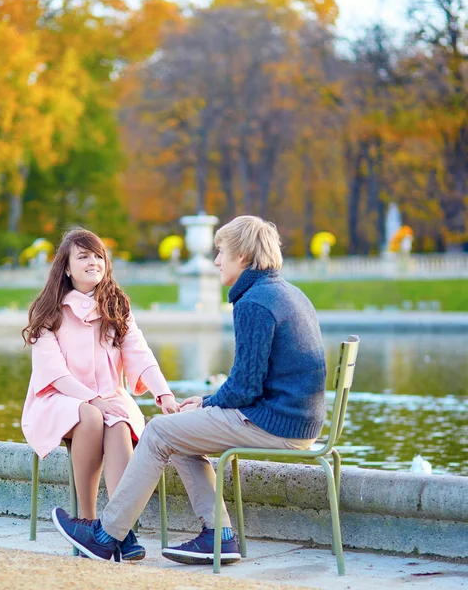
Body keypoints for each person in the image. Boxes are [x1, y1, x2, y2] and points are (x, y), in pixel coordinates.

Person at [51, 216, 327, 565]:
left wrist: (210, 403)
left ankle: (106, 536)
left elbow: (245, 386)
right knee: (180, 428)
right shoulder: (286, 292)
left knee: (158, 430)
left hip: (276, 424)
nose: (215, 261)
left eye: (221, 252)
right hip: (296, 422)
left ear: (241, 257)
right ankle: (219, 536)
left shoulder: (254, 302)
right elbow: (251, 385)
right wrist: (205, 404)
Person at [21, 228, 179, 561]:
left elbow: (140, 353)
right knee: (92, 414)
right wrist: (92, 400)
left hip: (111, 398)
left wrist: (163, 393)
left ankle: (118, 528)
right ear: (66, 267)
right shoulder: (48, 310)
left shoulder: (117, 306)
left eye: (98, 256)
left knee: (118, 422)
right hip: (58, 400)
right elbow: (54, 374)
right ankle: (88, 522)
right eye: (83, 256)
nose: (93, 261)